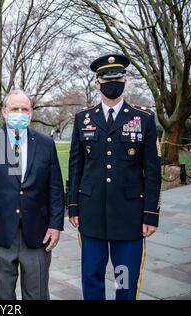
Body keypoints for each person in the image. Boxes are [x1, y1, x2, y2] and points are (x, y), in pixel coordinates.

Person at [67, 54, 161, 300]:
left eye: (117, 77)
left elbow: (152, 172)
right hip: (91, 214)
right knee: (92, 277)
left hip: (129, 217)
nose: (112, 82)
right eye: (106, 78)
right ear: (97, 83)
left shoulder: (143, 119)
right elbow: (76, 167)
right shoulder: (82, 119)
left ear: (125, 80)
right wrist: (73, 207)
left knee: (124, 280)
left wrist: (151, 213)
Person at [0, 89, 65, 300]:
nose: (19, 113)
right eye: (14, 109)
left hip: (38, 232)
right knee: (0, 296)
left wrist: (55, 225)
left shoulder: (45, 143)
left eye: (25, 109)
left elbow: (55, 187)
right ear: (4, 111)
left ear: (31, 113)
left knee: (37, 294)